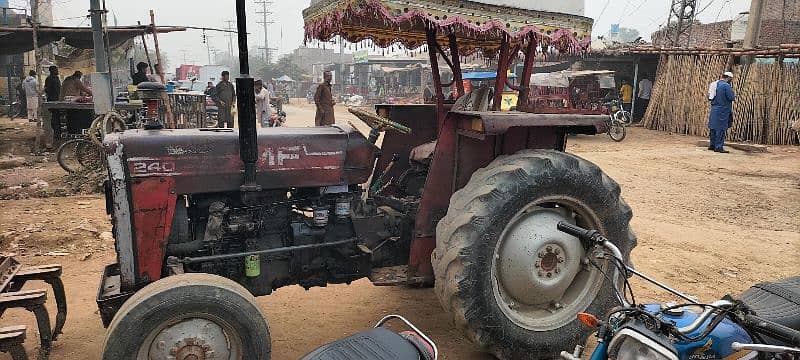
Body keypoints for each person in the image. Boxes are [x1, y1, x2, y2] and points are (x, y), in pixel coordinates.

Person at [707, 72, 735, 153]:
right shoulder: (726, 86)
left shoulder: (714, 84)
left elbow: (709, 96)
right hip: (723, 109)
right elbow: (731, 97)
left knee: (713, 127)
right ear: (729, 78)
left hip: (714, 109)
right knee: (721, 128)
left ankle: (712, 145)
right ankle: (719, 147)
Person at [44, 66, 61, 148]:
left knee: (56, 117)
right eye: (56, 70)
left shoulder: (54, 78)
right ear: (52, 71)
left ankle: (57, 133)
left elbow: (47, 89)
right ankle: (56, 134)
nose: (57, 71)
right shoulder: (51, 79)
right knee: (55, 118)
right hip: (53, 100)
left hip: (55, 100)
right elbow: (48, 89)